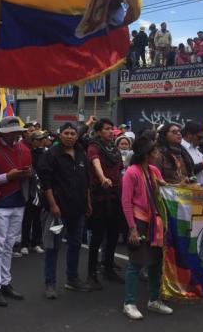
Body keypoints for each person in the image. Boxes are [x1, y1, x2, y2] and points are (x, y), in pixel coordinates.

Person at [0, 116, 32, 307]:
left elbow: (29, 171)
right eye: (11, 132)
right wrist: (6, 177)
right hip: (0, 201)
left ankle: (5, 282)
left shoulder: (24, 149)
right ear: (3, 133)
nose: (15, 135)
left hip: (19, 200)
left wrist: (27, 173)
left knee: (10, 244)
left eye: (17, 132)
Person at [37, 122, 92, 298]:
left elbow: (87, 181)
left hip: (78, 208)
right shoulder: (51, 154)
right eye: (66, 133)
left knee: (75, 244)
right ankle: (50, 284)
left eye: (73, 133)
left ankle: (72, 279)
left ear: (77, 136)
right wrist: (53, 205)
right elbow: (46, 183)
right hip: (58, 210)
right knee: (53, 247)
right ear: (60, 135)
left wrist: (88, 203)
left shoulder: (81, 153)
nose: (70, 136)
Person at [121, 137, 172, 320]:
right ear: (146, 154)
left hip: (155, 222)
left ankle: (154, 300)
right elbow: (126, 202)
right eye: (155, 152)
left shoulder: (154, 171)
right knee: (135, 263)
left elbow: (166, 190)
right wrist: (132, 228)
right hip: (139, 221)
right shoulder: (131, 172)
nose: (158, 155)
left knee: (155, 263)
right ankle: (129, 303)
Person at [86, 118, 125, 287]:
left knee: (113, 234)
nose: (110, 131)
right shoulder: (94, 147)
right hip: (100, 196)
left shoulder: (114, 149)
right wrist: (103, 178)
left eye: (112, 129)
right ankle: (91, 273)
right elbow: (96, 164)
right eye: (107, 129)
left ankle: (108, 267)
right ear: (99, 131)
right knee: (97, 236)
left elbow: (121, 169)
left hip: (116, 195)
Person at [20, 129, 44, 256]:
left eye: (42, 139)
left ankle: (36, 242)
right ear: (33, 141)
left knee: (38, 218)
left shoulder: (45, 153)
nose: (41, 142)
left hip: (41, 189)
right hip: (30, 189)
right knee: (27, 218)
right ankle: (24, 243)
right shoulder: (27, 153)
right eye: (38, 140)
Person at [180, 121, 203, 186]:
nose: (202, 140)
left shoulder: (197, 148)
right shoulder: (180, 149)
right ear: (189, 134)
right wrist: (201, 165)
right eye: (199, 137)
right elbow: (184, 171)